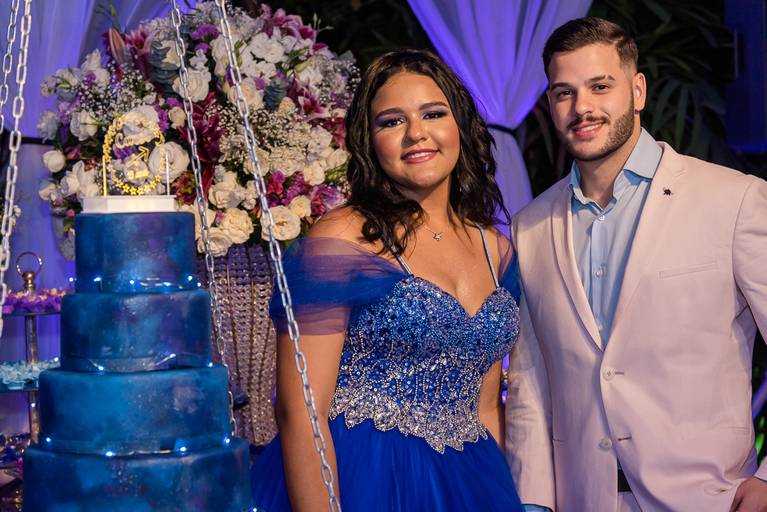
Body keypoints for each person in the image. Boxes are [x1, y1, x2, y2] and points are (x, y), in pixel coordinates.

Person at [250, 49, 532, 511]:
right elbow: (299, 409)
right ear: (370, 140)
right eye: (392, 121)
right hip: (364, 475)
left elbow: (485, 407)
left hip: (472, 478)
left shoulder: (497, 249)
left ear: (461, 125)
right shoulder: (344, 236)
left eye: (433, 114)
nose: (415, 133)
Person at [506, 16, 767, 512]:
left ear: (638, 90)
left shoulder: (733, 201)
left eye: (600, 86)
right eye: (564, 93)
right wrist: (534, 502)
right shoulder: (530, 226)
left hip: (710, 500)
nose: (582, 107)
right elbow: (531, 384)